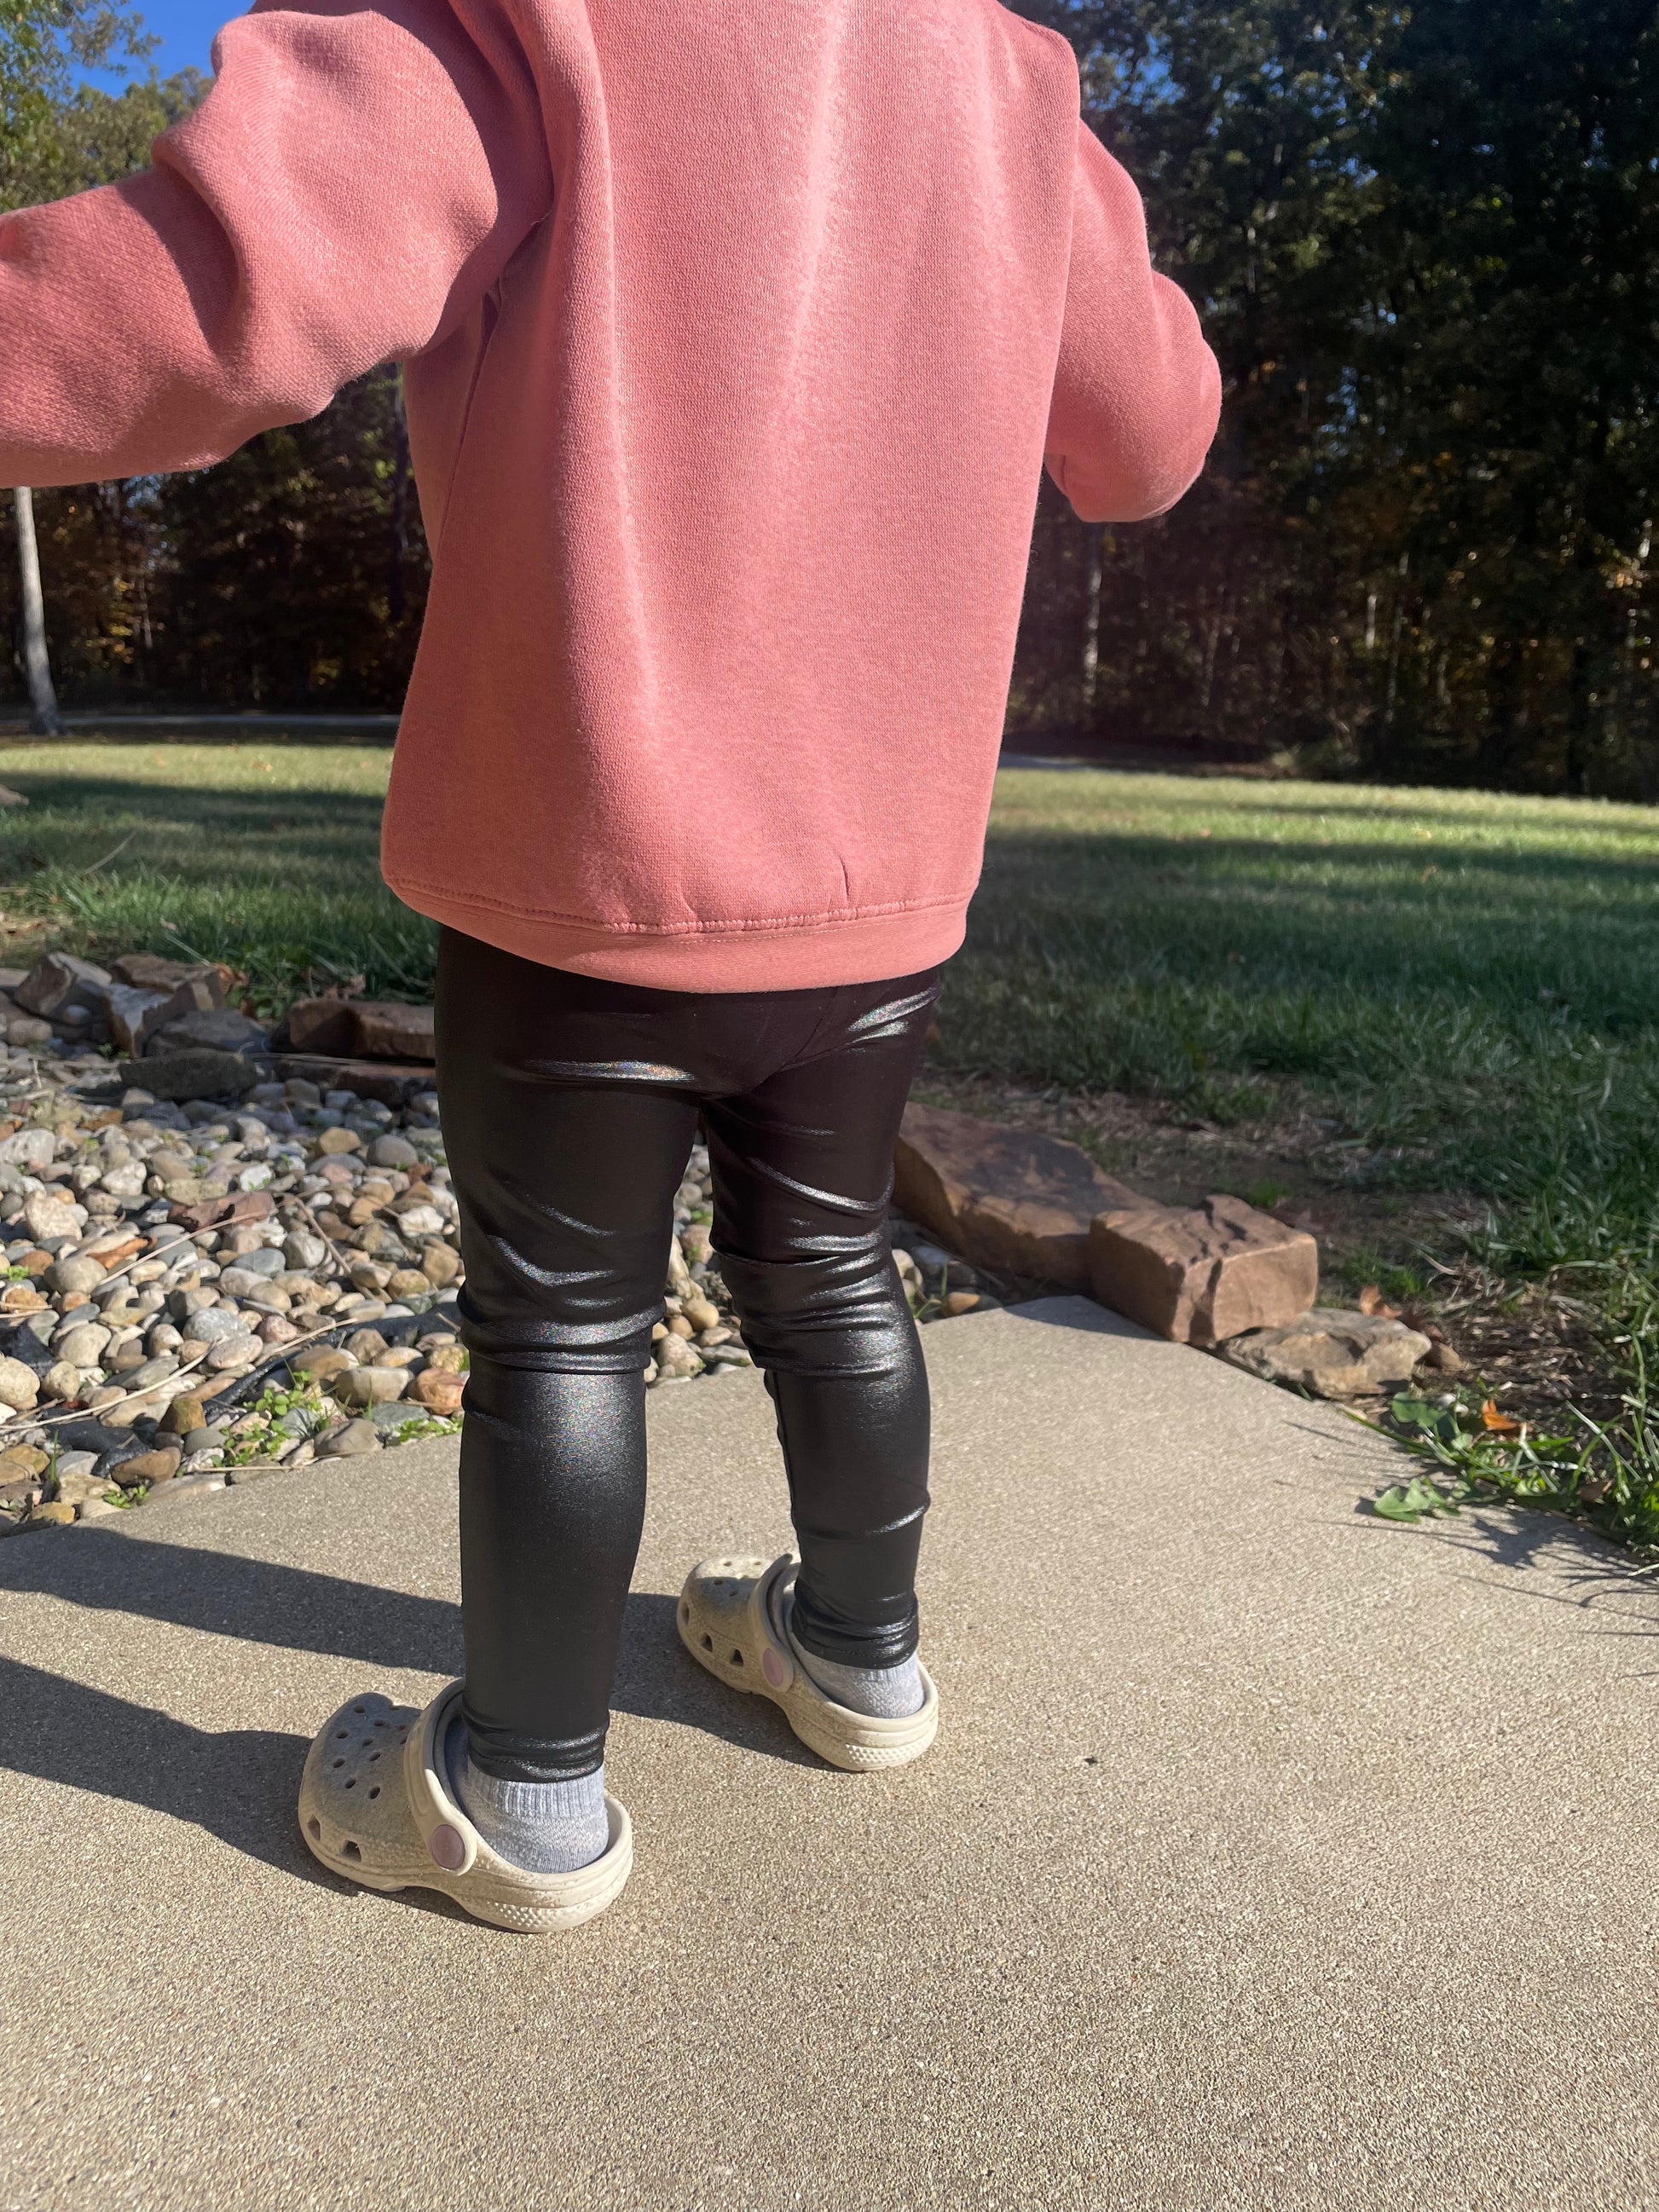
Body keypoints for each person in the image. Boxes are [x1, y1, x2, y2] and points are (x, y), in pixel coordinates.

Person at [0, 0, 1220, 1931]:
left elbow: (210, 299)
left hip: (584, 864)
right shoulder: (1003, 70)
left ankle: (524, 1792)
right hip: (876, 883)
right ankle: (857, 1652)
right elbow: (1149, 434)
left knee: (559, 1328)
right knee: (827, 1261)